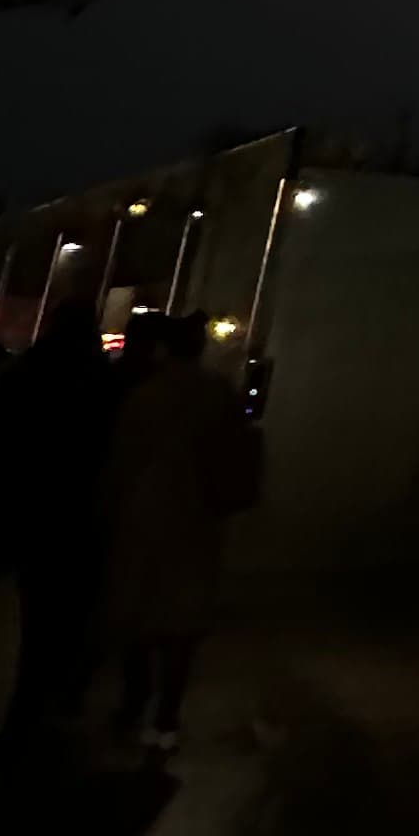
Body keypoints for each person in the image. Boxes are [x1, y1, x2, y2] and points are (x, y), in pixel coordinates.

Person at [101, 312, 263, 757]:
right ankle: (167, 716)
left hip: (143, 522)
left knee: (136, 616)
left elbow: (120, 465)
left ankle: (134, 704)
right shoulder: (218, 395)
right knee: (183, 625)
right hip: (198, 523)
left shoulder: (145, 398)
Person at [0, 297, 121, 754]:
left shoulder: (27, 373)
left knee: (36, 623)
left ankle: (23, 719)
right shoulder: (105, 381)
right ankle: (63, 708)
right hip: (85, 516)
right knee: (74, 620)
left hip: (34, 512)